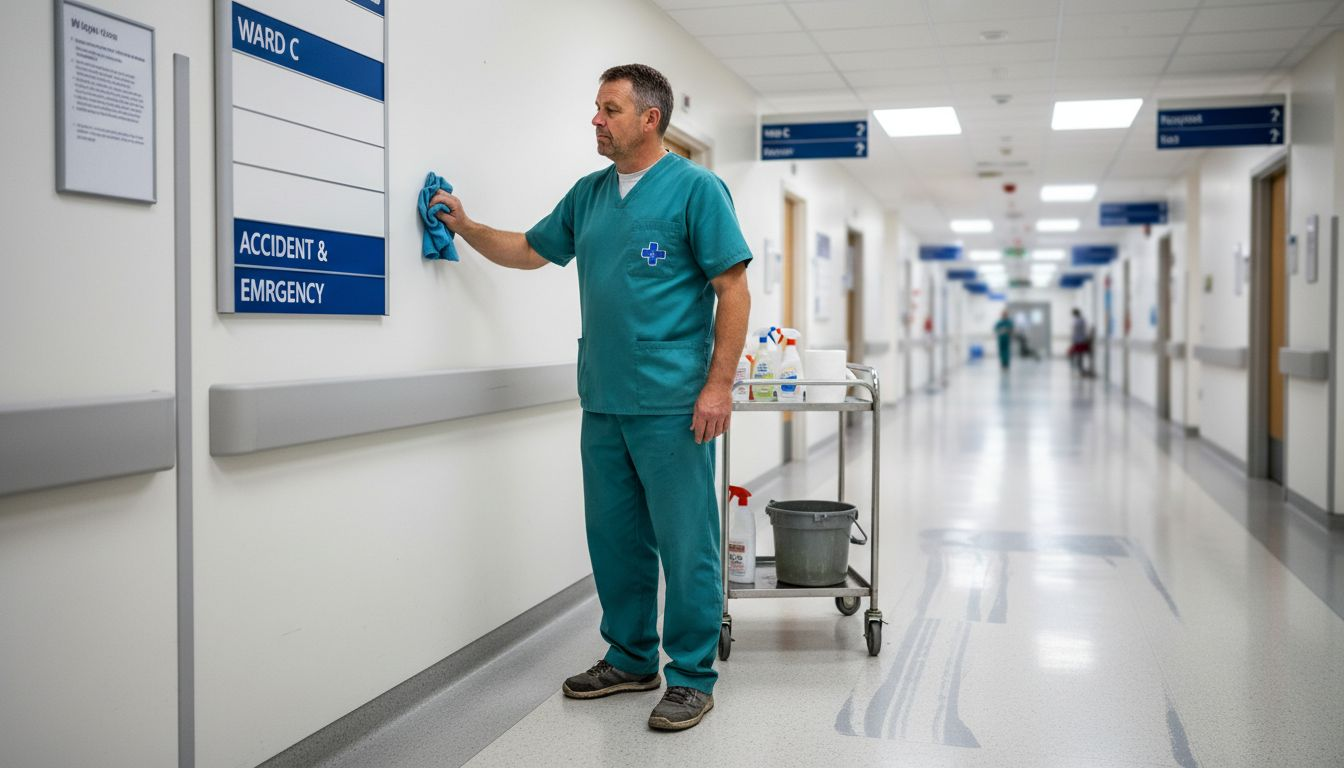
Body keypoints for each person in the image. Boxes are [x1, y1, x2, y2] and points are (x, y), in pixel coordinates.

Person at [430, 64, 751, 732]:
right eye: (597, 109)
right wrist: (464, 226)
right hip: (603, 397)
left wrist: (718, 385)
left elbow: (732, 289)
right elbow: (528, 250)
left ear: (649, 119)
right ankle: (631, 658)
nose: (597, 121)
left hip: (672, 401)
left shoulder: (697, 191)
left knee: (686, 541)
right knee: (615, 538)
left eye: (609, 109)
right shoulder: (588, 195)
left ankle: (692, 675)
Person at [1068, 308, 1094, 377]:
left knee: (1079, 356)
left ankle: (1083, 370)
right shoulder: (1080, 320)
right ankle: (1081, 370)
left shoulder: (1079, 321)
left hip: (1080, 341)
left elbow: (1080, 331)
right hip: (1079, 341)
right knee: (1078, 356)